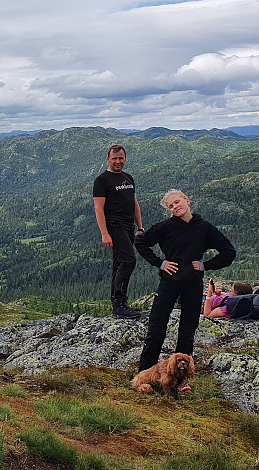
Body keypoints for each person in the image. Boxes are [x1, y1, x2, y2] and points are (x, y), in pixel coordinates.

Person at [135, 189, 236, 372]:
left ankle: (180, 375)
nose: (175, 207)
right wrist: (160, 263)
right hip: (169, 282)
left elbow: (229, 252)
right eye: (170, 206)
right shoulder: (165, 227)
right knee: (156, 327)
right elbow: (140, 242)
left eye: (177, 202)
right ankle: (145, 372)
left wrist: (206, 265)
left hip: (193, 284)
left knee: (188, 329)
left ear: (187, 201)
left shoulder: (204, 228)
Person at [93, 144, 145, 319]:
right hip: (114, 227)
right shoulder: (102, 180)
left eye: (120, 158)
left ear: (125, 159)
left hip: (129, 227)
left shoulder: (128, 178)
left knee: (119, 264)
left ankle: (117, 304)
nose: (117, 161)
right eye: (114, 158)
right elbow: (98, 209)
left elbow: (135, 204)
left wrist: (140, 227)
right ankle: (120, 303)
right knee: (129, 261)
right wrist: (105, 233)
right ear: (108, 159)